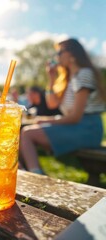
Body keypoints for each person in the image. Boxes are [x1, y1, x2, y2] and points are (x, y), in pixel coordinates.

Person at [20, 38, 106, 174]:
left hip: (88, 128)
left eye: (59, 52)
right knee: (26, 132)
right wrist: (51, 78)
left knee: (27, 133)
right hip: (77, 126)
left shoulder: (84, 74)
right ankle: (35, 172)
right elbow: (52, 103)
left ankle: (36, 175)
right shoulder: (69, 79)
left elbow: (75, 117)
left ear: (72, 54)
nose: (56, 57)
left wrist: (46, 120)